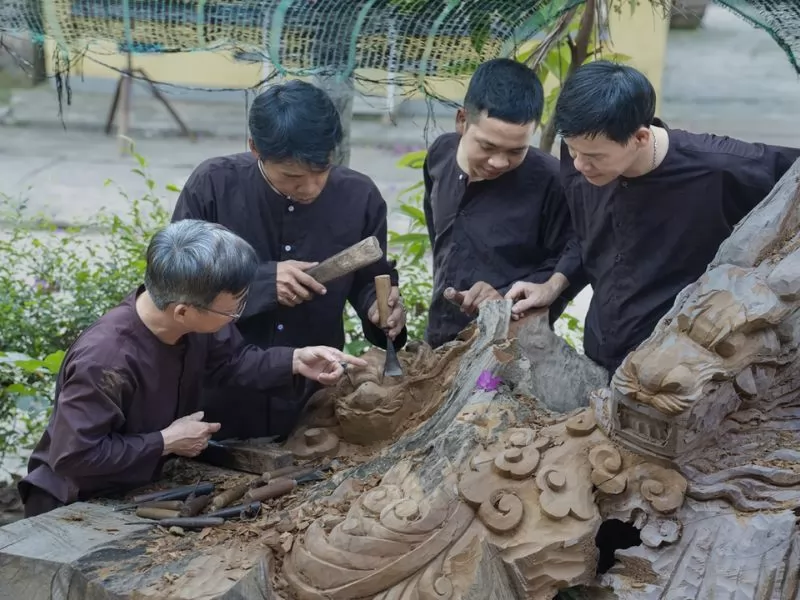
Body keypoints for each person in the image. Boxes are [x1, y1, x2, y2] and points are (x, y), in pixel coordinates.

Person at [18, 220, 366, 518]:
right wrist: (166, 441)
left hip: (135, 489)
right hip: (72, 501)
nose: (235, 316)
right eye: (232, 310)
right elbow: (75, 456)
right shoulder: (105, 360)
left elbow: (231, 361)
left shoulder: (194, 321)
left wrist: (295, 360)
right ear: (182, 311)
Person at [505, 60, 800, 375]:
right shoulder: (583, 152)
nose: (578, 165)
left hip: (675, 374)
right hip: (598, 355)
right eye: (573, 151)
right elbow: (587, 232)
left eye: (593, 157)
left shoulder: (720, 168)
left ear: (641, 138)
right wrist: (553, 284)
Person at [172, 80, 407, 439]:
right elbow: (176, 285)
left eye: (322, 170)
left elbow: (368, 282)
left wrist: (380, 309)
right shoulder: (213, 186)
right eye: (293, 177)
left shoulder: (360, 197)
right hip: (220, 399)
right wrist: (261, 282)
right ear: (254, 148)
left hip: (313, 403)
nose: (311, 188)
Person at [422, 58, 581, 349]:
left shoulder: (553, 182)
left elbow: (573, 258)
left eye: (516, 151)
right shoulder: (440, 155)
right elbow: (439, 235)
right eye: (487, 146)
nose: (498, 162)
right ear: (462, 120)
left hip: (508, 347)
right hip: (439, 337)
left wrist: (505, 296)